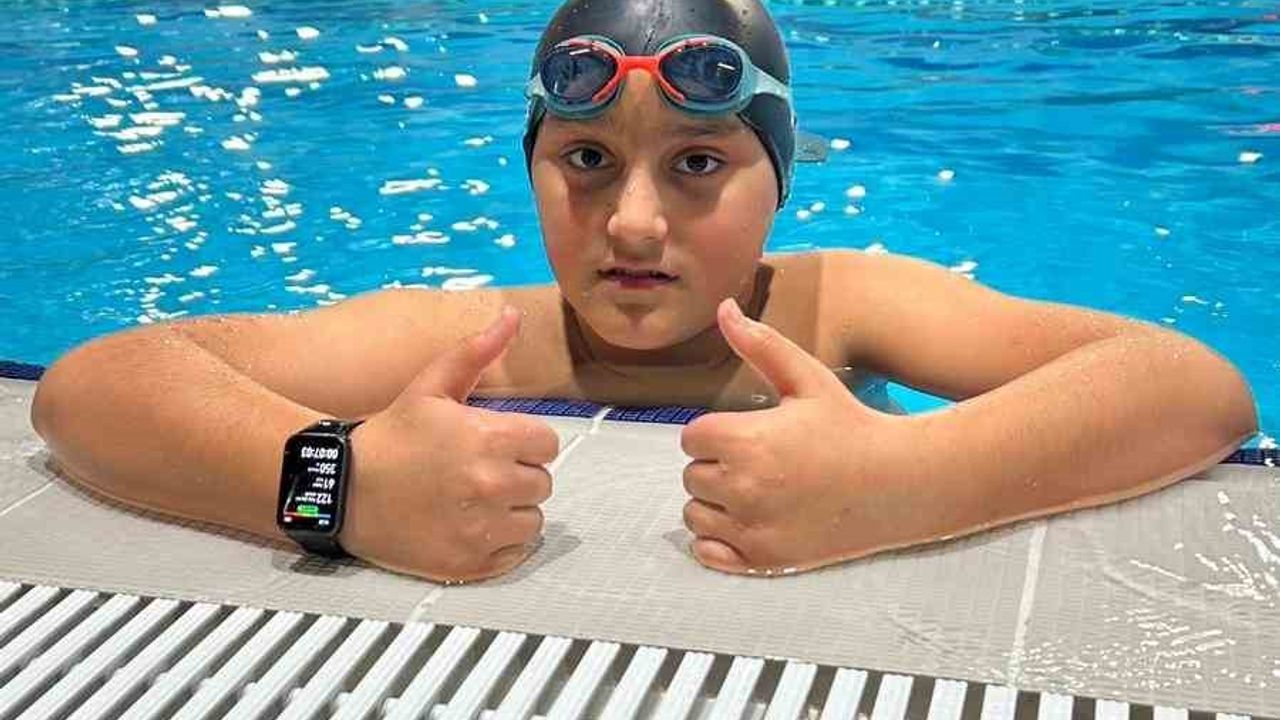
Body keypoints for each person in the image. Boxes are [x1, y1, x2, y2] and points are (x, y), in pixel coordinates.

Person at [31, 0, 1258, 583]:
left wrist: (907, 483)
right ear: (528, 171)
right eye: (583, 160)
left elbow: (1189, 386)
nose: (630, 220)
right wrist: (338, 487)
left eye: (698, 165)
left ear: (779, 187)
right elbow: (94, 385)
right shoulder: (471, 336)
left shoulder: (842, 308)